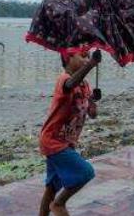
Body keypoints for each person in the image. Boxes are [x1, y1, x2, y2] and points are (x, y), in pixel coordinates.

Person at [38, 48, 101, 216]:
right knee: (85, 172)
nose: (87, 59)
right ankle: (59, 204)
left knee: (51, 187)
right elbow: (70, 84)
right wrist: (92, 64)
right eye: (83, 56)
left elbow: (93, 115)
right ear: (68, 57)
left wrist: (93, 101)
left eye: (88, 56)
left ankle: (49, 208)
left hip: (66, 142)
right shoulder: (64, 79)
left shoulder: (85, 85)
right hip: (54, 140)